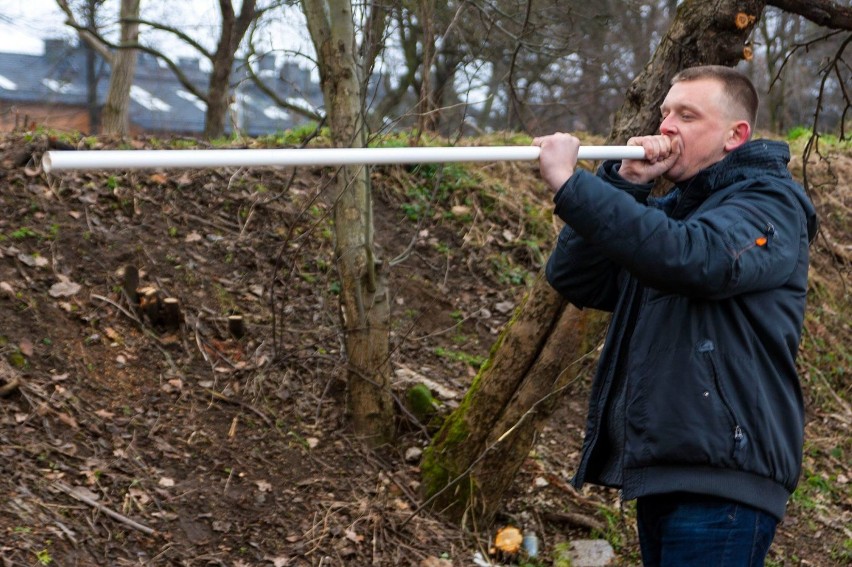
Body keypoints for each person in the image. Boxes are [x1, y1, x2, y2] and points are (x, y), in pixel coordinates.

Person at [533, 65, 817, 566]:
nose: (666, 127)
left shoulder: (769, 203)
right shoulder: (672, 216)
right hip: (666, 471)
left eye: (687, 115)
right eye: (666, 113)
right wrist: (624, 185)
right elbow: (580, 279)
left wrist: (569, 186)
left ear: (736, 135)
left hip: (725, 480)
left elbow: (699, 259)